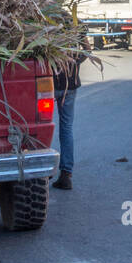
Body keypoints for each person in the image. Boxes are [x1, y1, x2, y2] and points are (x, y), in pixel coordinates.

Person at [52, 46, 88, 190]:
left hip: (49, 82)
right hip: (70, 84)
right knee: (66, 128)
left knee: (40, 124)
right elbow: (87, 52)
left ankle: (39, 171)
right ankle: (66, 174)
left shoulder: (43, 24)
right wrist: (74, 62)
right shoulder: (76, 24)